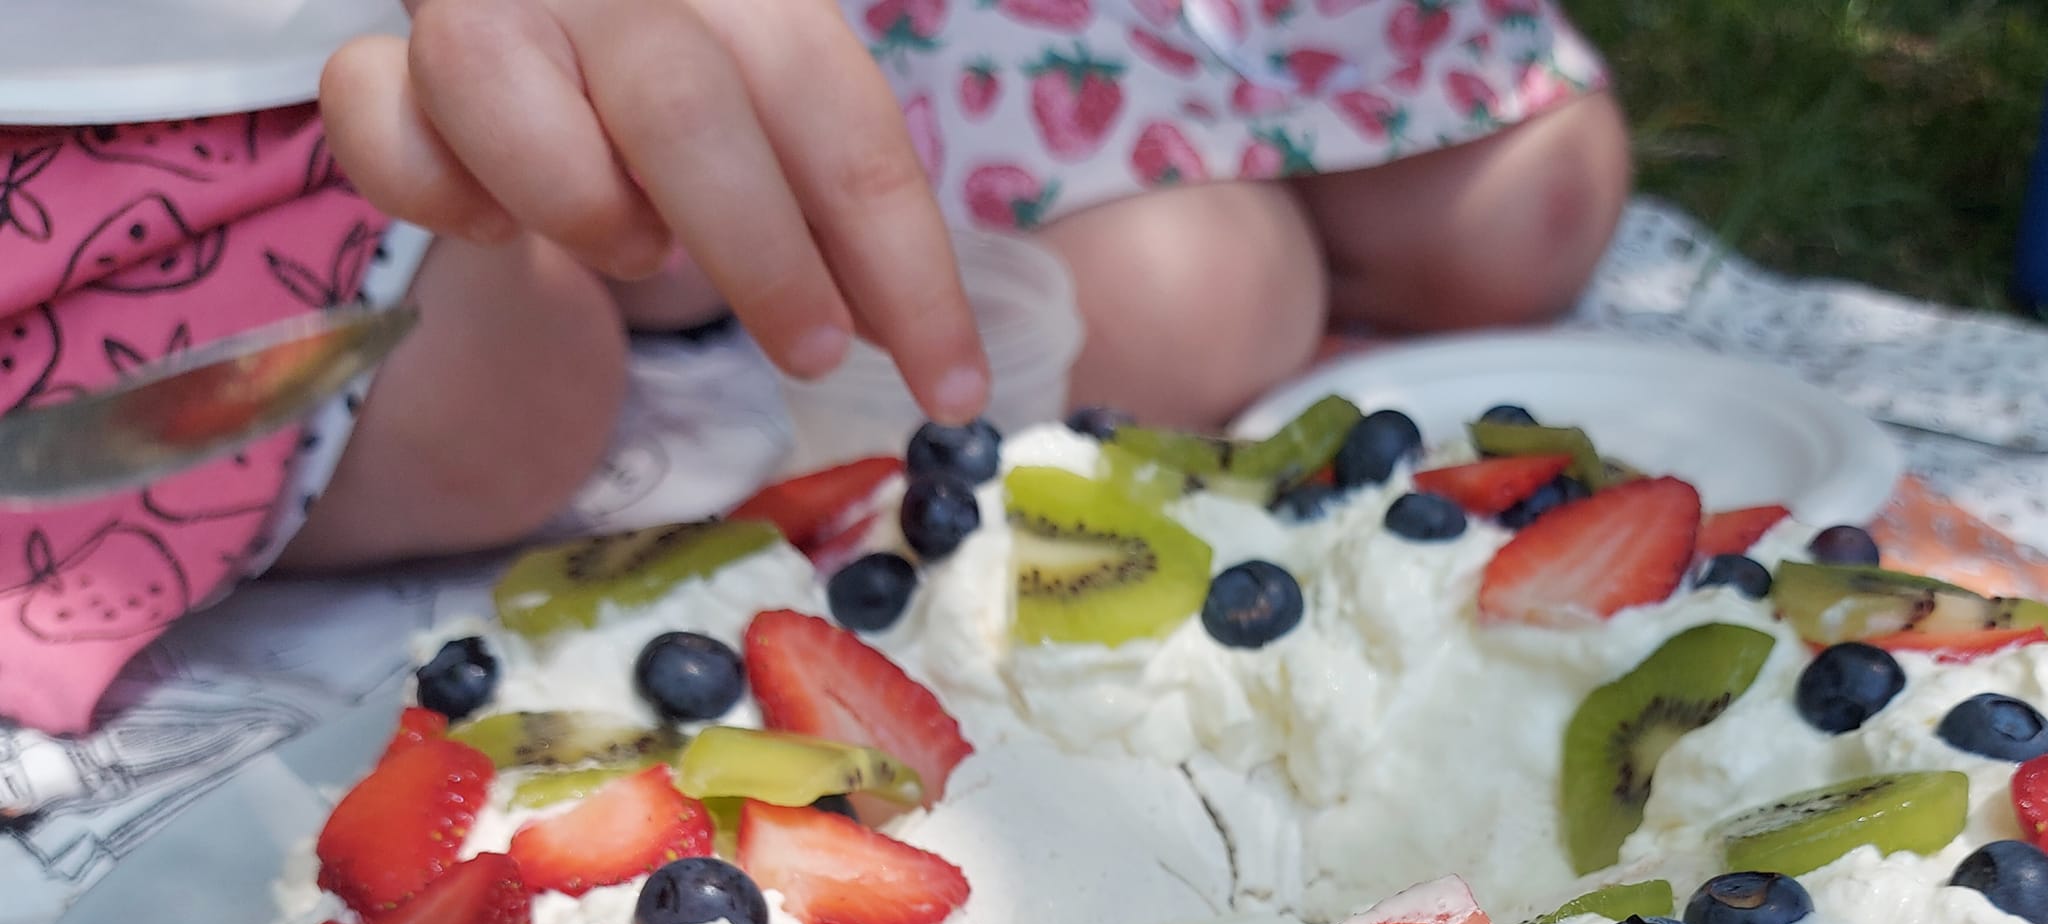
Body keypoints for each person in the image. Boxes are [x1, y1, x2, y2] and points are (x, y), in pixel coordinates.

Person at [0, 0, 1626, 733]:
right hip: (141, 109)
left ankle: (650, 244)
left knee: (1497, 210)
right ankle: (617, 272)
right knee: (508, 387)